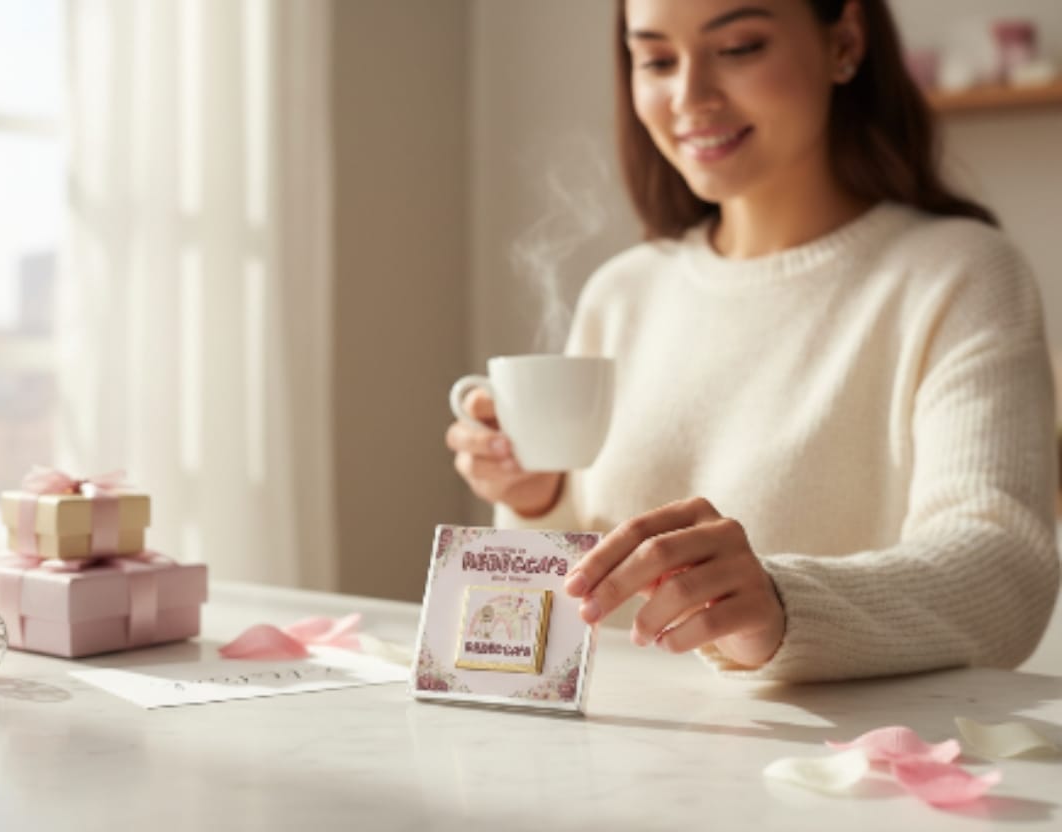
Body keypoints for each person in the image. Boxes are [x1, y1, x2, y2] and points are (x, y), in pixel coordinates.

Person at [445, 0, 1060, 682]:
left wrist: (781, 606)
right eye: (654, 59)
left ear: (845, 42)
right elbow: (567, 616)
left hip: (828, 773)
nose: (689, 98)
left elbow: (1006, 573)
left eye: (737, 48)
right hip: (612, 768)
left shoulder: (960, 275)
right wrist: (536, 498)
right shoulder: (622, 292)